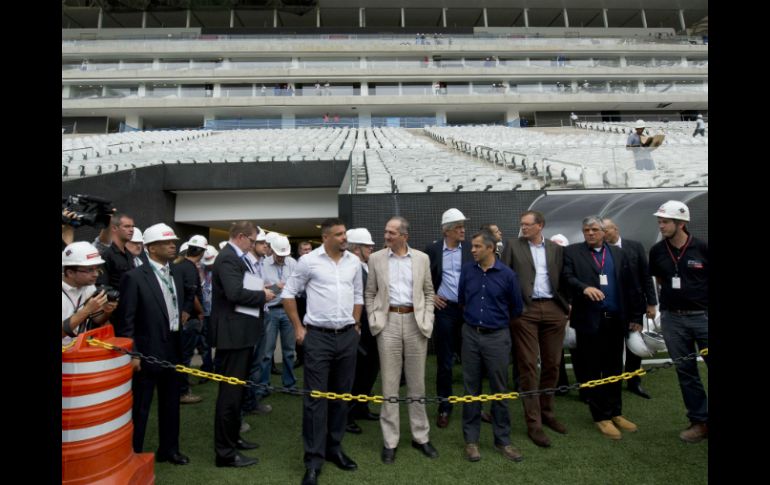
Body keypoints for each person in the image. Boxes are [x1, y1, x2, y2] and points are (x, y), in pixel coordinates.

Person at [282, 218, 363, 485]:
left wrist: (356, 324)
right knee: (316, 400)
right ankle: (313, 460)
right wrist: (297, 327)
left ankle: (334, 449)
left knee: (342, 397)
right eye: (339, 234)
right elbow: (289, 294)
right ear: (326, 237)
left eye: (345, 234)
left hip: (347, 337)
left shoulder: (353, 261)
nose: (344, 238)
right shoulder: (308, 261)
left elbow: (359, 295)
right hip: (317, 337)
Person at [113, 223, 190, 465]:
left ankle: (169, 449)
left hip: (173, 348)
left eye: (173, 242)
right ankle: (133, 452)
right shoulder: (134, 277)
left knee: (171, 404)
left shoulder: (175, 273)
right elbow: (126, 320)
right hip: (146, 352)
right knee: (141, 407)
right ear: (151, 248)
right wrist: (133, 352)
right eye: (167, 242)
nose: (172, 245)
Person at [562, 216, 644, 440]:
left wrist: (637, 315)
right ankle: (601, 417)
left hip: (615, 320)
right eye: (586, 230)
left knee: (614, 367)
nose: (590, 233)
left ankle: (616, 412)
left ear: (604, 231)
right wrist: (584, 287)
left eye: (595, 229)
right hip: (589, 321)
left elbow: (631, 285)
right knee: (593, 369)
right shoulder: (572, 252)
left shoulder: (618, 253)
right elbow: (567, 277)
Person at [365, 217, 438, 464]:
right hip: (388, 323)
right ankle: (390, 441)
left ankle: (421, 437)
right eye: (385, 231)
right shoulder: (375, 258)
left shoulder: (421, 258)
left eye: (391, 232)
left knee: (417, 383)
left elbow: (429, 292)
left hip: (416, 323)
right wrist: (375, 319)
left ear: (404, 236)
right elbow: (370, 292)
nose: (386, 236)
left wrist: (427, 319)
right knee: (389, 384)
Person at [501, 211, 570, 448]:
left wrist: (565, 307)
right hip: (525, 312)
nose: (523, 228)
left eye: (527, 225)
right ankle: (534, 423)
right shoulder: (512, 246)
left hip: (553, 309)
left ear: (540, 225)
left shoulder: (556, 248)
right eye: (521, 224)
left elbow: (565, 277)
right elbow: (505, 277)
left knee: (552, 364)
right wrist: (513, 310)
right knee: (529, 366)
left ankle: (548, 413)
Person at [211, 221, 275, 468]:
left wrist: (261, 288)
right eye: (253, 240)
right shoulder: (228, 258)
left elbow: (240, 288)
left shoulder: (235, 257)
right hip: (233, 335)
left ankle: (233, 438)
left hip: (240, 333)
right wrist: (263, 296)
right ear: (241, 237)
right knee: (229, 396)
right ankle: (225, 453)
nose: (254, 245)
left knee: (235, 394)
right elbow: (234, 293)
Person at [458, 230, 524, 463]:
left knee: (499, 389)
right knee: (471, 389)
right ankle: (471, 441)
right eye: (472, 246)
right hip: (471, 334)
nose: (472, 250)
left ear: (490, 248)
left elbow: (516, 308)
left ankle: (503, 440)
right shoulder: (467, 270)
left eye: (477, 246)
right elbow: (462, 299)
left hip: (497, 336)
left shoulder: (507, 275)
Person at [649, 201, 708, 443]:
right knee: (686, 372)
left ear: (681, 224)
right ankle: (700, 422)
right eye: (659, 221)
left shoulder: (702, 248)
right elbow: (661, 280)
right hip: (673, 319)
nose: (661, 225)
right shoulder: (657, 251)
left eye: (665, 222)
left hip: (703, 317)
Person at [424, 208, 473, 428]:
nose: (463, 230)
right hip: (444, 311)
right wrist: (431, 295)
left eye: (463, 226)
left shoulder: (471, 249)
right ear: (448, 231)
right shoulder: (432, 250)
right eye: (459, 227)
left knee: (472, 360)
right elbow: (421, 278)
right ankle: (445, 406)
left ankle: (475, 407)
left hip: (468, 310)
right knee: (444, 361)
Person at [602, 218, 658, 399]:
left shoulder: (635, 247)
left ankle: (634, 382)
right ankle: (614, 382)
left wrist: (651, 303)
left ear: (615, 229)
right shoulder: (601, 251)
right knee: (613, 347)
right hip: (612, 306)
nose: (603, 234)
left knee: (635, 346)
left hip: (635, 306)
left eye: (606, 230)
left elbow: (646, 276)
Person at [345, 228, 380, 435]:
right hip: (358, 328)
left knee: (368, 372)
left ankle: (361, 407)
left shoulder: (364, 266)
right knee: (355, 374)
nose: (372, 247)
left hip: (370, 327)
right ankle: (348, 414)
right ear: (357, 248)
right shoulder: (351, 268)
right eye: (368, 245)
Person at [258, 235, 298, 395]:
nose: (282, 257)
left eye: (284, 254)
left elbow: (298, 286)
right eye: (279, 254)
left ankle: (289, 385)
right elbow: (260, 290)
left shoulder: (293, 263)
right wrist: (276, 287)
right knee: (267, 352)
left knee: (289, 351)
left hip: (289, 310)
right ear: (272, 250)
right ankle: (263, 386)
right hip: (271, 311)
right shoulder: (263, 264)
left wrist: (287, 288)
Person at [173, 234, 209, 405]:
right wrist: (201, 312)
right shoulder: (190, 268)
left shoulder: (178, 265)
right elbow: (192, 294)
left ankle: (181, 385)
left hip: (181, 316)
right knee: (184, 356)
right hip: (190, 318)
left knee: (181, 355)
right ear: (201, 251)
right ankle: (182, 391)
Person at [61, 242, 117, 345]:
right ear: (70, 273)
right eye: (90, 270)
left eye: (96, 269)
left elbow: (97, 319)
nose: (95, 274)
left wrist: (107, 310)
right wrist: (87, 310)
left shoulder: (88, 286)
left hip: (79, 351)